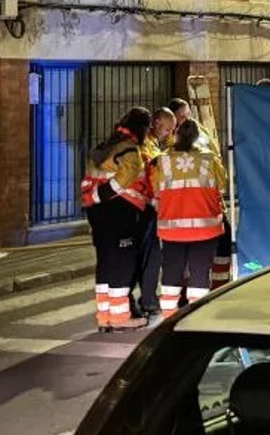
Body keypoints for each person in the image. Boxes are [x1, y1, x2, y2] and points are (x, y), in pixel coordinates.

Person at [148, 119, 228, 317]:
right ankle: (196, 318)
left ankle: (168, 318)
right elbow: (223, 186)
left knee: (171, 274)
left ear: (176, 135)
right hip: (205, 228)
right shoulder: (209, 160)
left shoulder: (162, 160)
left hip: (172, 229)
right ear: (198, 138)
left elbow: (155, 189)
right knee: (200, 274)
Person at [79, 130, 150, 332]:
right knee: (122, 265)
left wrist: (95, 197)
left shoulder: (104, 149)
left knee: (105, 263)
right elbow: (128, 177)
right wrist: (103, 194)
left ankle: (104, 316)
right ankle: (119, 318)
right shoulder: (128, 150)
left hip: (98, 212)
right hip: (119, 210)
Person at [168, 96, 234, 288]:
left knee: (221, 245)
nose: (188, 119)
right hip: (187, 208)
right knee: (191, 254)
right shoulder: (169, 144)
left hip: (202, 204)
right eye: (183, 116)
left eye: (188, 115)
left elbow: (218, 165)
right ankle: (191, 289)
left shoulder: (199, 133)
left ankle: (217, 286)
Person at [116, 107, 164, 318]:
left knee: (147, 257)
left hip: (134, 209)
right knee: (137, 258)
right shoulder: (135, 148)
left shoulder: (121, 144)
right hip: (137, 209)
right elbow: (141, 179)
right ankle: (133, 302)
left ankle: (145, 301)